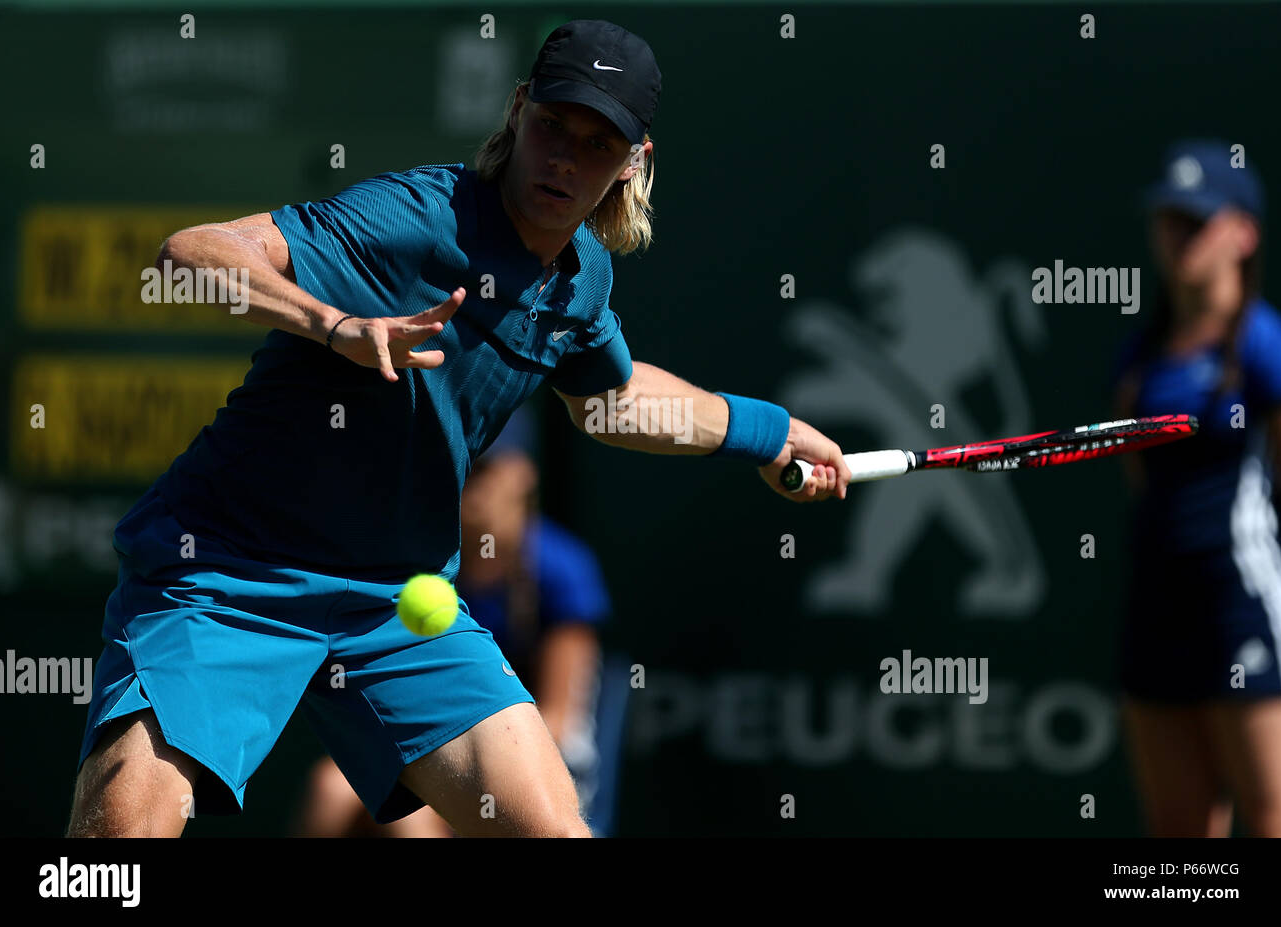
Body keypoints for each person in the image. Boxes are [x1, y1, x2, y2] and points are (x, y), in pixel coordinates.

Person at [66, 19, 851, 838]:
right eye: (553, 125)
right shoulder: (412, 216)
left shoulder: (581, 279)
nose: (564, 158)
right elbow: (187, 259)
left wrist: (771, 431)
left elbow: (611, 401)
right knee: (124, 830)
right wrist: (335, 324)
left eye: (597, 142)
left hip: (395, 602)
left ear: (633, 162)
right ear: (517, 112)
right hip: (225, 570)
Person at [297, 409, 625, 837]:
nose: (471, 484)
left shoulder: (561, 568)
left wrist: (460, 781)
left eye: (485, 467)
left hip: (544, 768)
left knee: (411, 822)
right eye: (464, 466)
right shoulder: (425, 563)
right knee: (330, 788)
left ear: (522, 475)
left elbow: (561, 719)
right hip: (445, 746)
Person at [1113, 139, 1281, 837]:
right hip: (1156, 602)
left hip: (1241, 599)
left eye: (1200, 220)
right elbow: (1139, 480)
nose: (1180, 236)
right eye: (1170, 219)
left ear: (1243, 234)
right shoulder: (1141, 356)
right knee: (1178, 830)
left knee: (1274, 816)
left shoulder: (1267, 347)